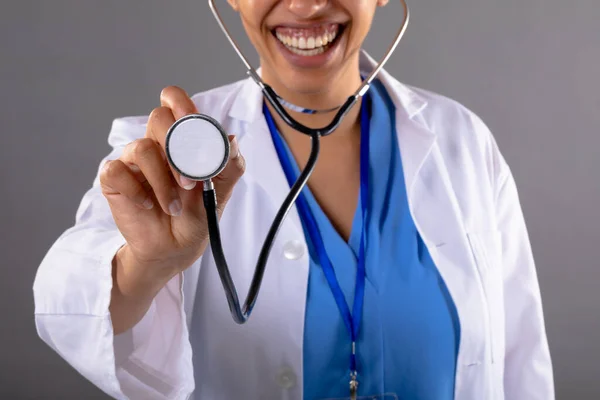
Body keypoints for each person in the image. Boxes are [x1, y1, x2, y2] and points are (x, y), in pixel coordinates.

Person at [33, 0, 554, 399]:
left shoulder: (464, 142)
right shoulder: (169, 158)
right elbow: (71, 298)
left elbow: (523, 363)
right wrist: (145, 266)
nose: (307, 6)